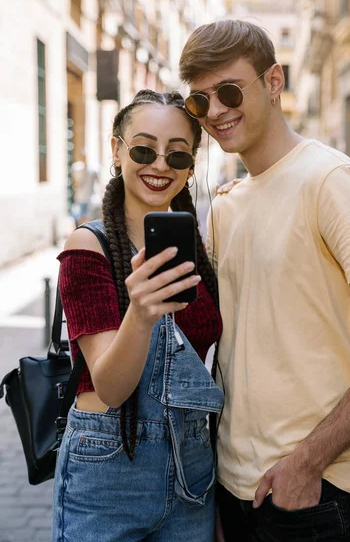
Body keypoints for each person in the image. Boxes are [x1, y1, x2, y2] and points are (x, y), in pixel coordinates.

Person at [179, 19, 350, 542]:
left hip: (315, 494)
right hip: (234, 492)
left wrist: (306, 464)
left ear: (274, 81)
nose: (215, 112)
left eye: (229, 91)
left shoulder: (329, 182)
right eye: (199, 102)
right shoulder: (227, 207)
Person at [51, 90, 224, 542]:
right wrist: (142, 315)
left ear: (191, 164)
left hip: (193, 471)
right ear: (116, 151)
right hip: (108, 473)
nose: (160, 165)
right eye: (144, 149)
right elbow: (110, 387)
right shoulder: (87, 249)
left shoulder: (195, 252)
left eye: (178, 154)